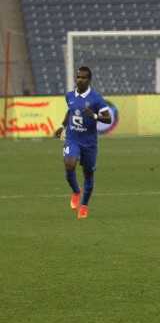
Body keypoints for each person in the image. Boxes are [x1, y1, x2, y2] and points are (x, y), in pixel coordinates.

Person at [54, 67, 112, 220]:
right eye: (78, 77)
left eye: (83, 78)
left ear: (89, 80)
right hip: (73, 139)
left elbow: (108, 119)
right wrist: (63, 126)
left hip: (89, 143)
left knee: (88, 174)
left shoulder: (96, 98)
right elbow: (70, 111)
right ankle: (76, 191)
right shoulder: (69, 95)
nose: (80, 80)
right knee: (69, 164)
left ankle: (84, 205)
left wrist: (94, 115)